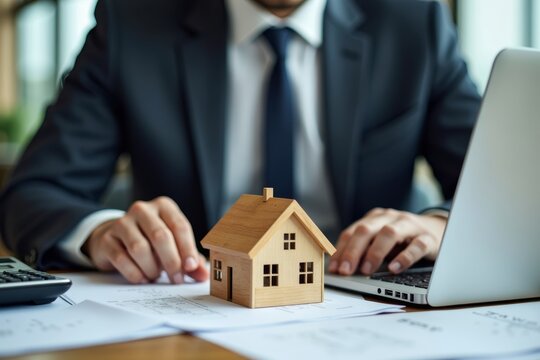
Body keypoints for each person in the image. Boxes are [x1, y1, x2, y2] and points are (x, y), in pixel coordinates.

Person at [0, 0, 481, 285]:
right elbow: (34, 194)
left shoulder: (414, 23)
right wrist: (99, 231)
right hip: (190, 312)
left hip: (372, 316)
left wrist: (444, 226)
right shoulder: (133, 22)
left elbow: (509, 193)